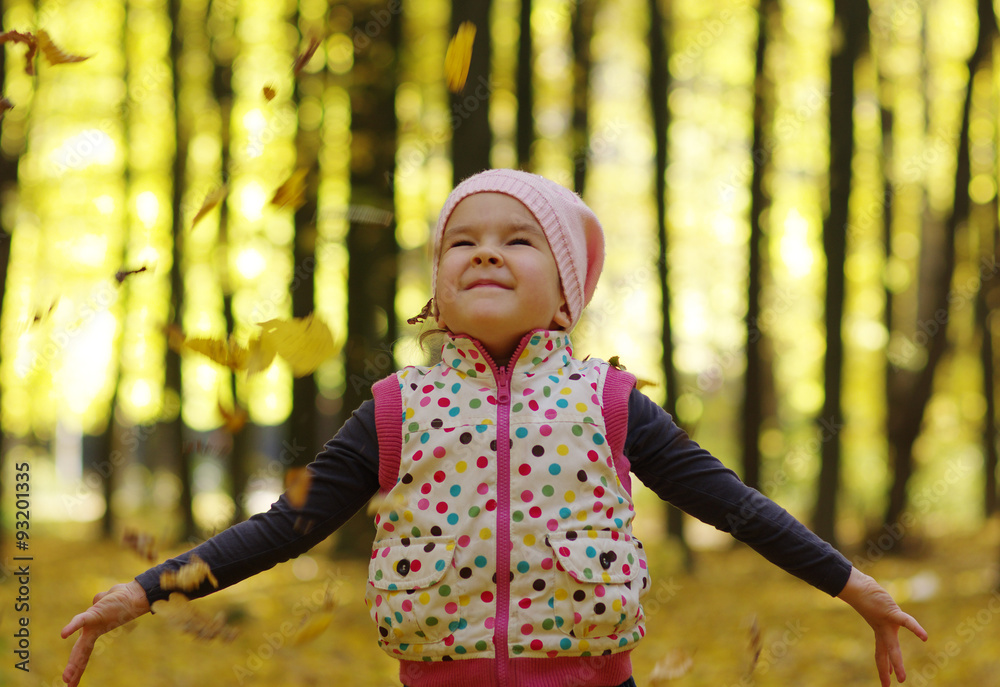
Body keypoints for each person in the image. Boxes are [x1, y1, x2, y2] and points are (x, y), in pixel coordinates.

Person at [62, 169, 927, 687]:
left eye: (519, 239)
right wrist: (144, 590)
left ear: (564, 295)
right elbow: (287, 528)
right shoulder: (398, 407)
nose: (484, 251)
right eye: (461, 242)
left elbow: (732, 503)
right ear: (435, 291)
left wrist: (856, 585)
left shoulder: (610, 401)